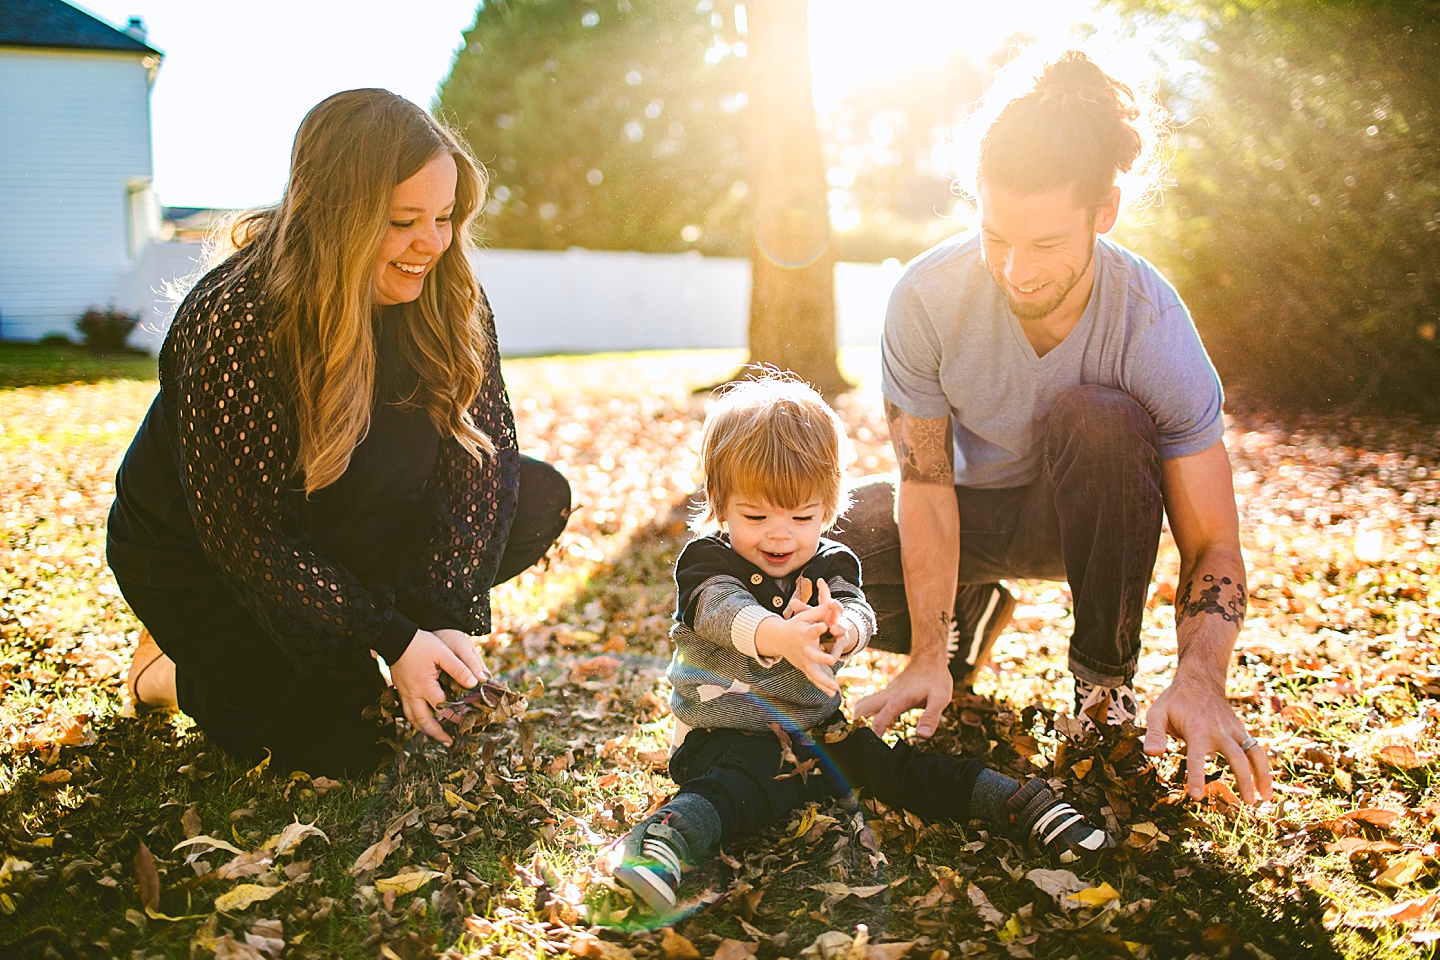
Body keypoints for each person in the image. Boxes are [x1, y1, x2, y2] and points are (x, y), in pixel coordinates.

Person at [832, 49, 1274, 804]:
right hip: (976, 512)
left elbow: (1212, 543)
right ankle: (967, 618)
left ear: (1104, 214)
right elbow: (927, 486)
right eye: (996, 236)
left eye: (1045, 245)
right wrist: (926, 656)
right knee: (811, 543)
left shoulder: (1153, 325)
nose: (1014, 271)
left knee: (1098, 417)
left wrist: (1200, 680)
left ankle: (1103, 688)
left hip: (1100, 520)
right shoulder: (925, 299)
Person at [107, 89, 571, 778]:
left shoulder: (448, 294)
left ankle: (345, 635)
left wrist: (438, 619)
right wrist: (389, 635)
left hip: (336, 519)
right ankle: (166, 669)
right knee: (349, 747)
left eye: (444, 217)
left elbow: (485, 458)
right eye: (403, 220)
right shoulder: (236, 318)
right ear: (335, 219)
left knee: (535, 496)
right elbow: (250, 538)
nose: (432, 244)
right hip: (205, 556)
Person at [611, 375, 1112, 916]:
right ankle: (665, 840)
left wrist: (838, 630)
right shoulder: (708, 561)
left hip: (814, 731)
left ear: (828, 508)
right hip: (720, 733)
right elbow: (721, 611)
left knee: (890, 767)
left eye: (802, 518)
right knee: (746, 781)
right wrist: (781, 635)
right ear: (721, 503)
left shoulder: (831, 561)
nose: (780, 536)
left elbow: (857, 611)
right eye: (755, 517)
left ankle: (1017, 802)